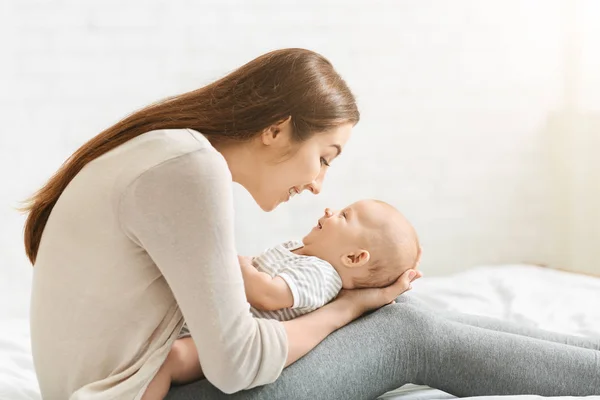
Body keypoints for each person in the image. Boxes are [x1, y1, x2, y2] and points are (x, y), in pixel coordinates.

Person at [23, 48, 599, 400]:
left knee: (408, 314)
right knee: (407, 335)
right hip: (138, 393)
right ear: (277, 129)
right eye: (325, 155)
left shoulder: (170, 154)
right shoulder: (187, 167)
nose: (320, 185)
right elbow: (237, 364)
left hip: (123, 384)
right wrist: (350, 306)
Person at [143, 199, 421, 399]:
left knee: (166, 361)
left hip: (227, 340)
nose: (330, 210)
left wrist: (240, 266)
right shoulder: (297, 248)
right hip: (207, 320)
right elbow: (258, 268)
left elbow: (268, 296)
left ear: (354, 257)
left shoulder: (321, 275)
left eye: (344, 216)